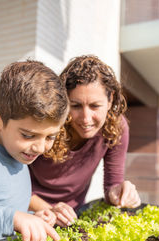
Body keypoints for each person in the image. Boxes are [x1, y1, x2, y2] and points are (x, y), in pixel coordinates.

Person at [0, 59, 69, 241]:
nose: (39, 147)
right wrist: (11, 219)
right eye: (28, 135)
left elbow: (2, 211)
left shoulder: (20, 158)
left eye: (50, 137)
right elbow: (4, 218)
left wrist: (31, 219)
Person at [29, 55, 141, 227]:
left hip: (73, 216)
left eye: (95, 106)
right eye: (75, 106)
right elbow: (12, 184)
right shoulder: (49, 124)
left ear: (110, 99)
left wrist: (119, 192)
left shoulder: (117, 127)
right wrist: (49, 210)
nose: (86, 119)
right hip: (31, 212)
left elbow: (112, 184)